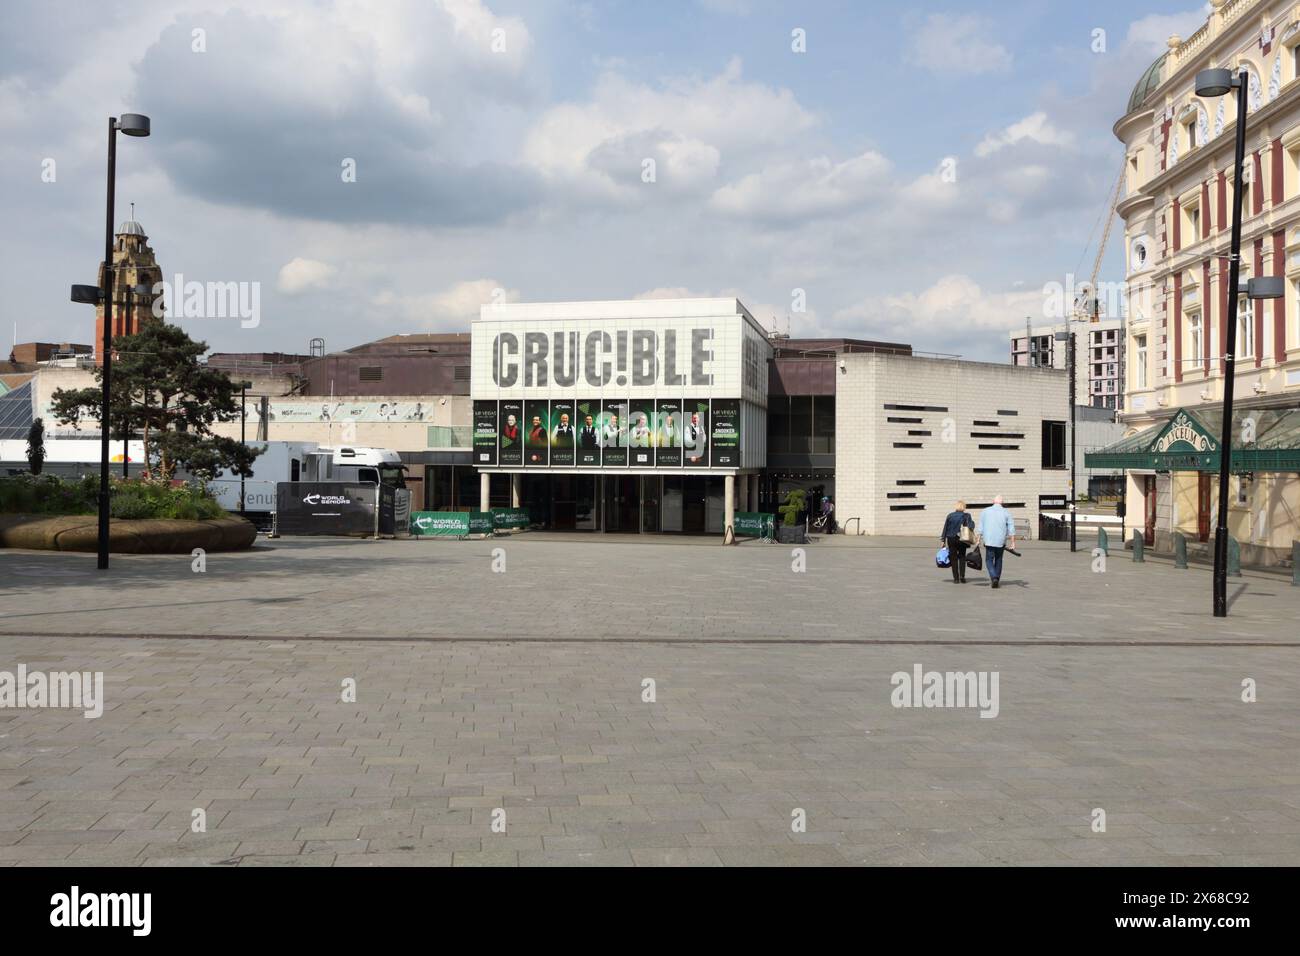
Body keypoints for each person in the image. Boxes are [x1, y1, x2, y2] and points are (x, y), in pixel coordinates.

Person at [977, 495, 1016, 589]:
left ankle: (994, 577)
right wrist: (1013, 542)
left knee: (989, 559)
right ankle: (996, 579)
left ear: (993, 501)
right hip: (1001, 540)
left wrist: (978, 539)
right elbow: (1011, 528)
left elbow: (980, 527)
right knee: (999, 560)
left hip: (989, 540)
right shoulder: (1006, 512)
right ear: (1001, 503)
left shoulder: (985, 511)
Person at [940, 500, 975, 583]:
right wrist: (972, 523)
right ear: (964, 507)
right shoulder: (967, 515)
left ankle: (956, 578)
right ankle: (962, 576)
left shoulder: (950, 516)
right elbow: (971, 526)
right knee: (962, 556)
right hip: (962, 538)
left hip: (951, 538)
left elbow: (945, 528)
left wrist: (943, 539)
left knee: (953, 558)